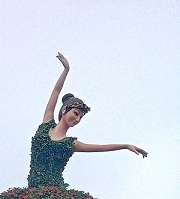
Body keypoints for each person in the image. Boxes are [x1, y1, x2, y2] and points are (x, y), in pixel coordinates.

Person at [28, 53, 147, 188]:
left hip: (53, 193)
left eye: (80, 117)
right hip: (33, 191)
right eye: (76, 113)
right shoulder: (46, 124)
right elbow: (56, 92)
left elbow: (101, 148)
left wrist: (125, 146)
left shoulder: (70, 144)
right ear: (64, 110)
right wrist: (66, 70)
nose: (77, 119)